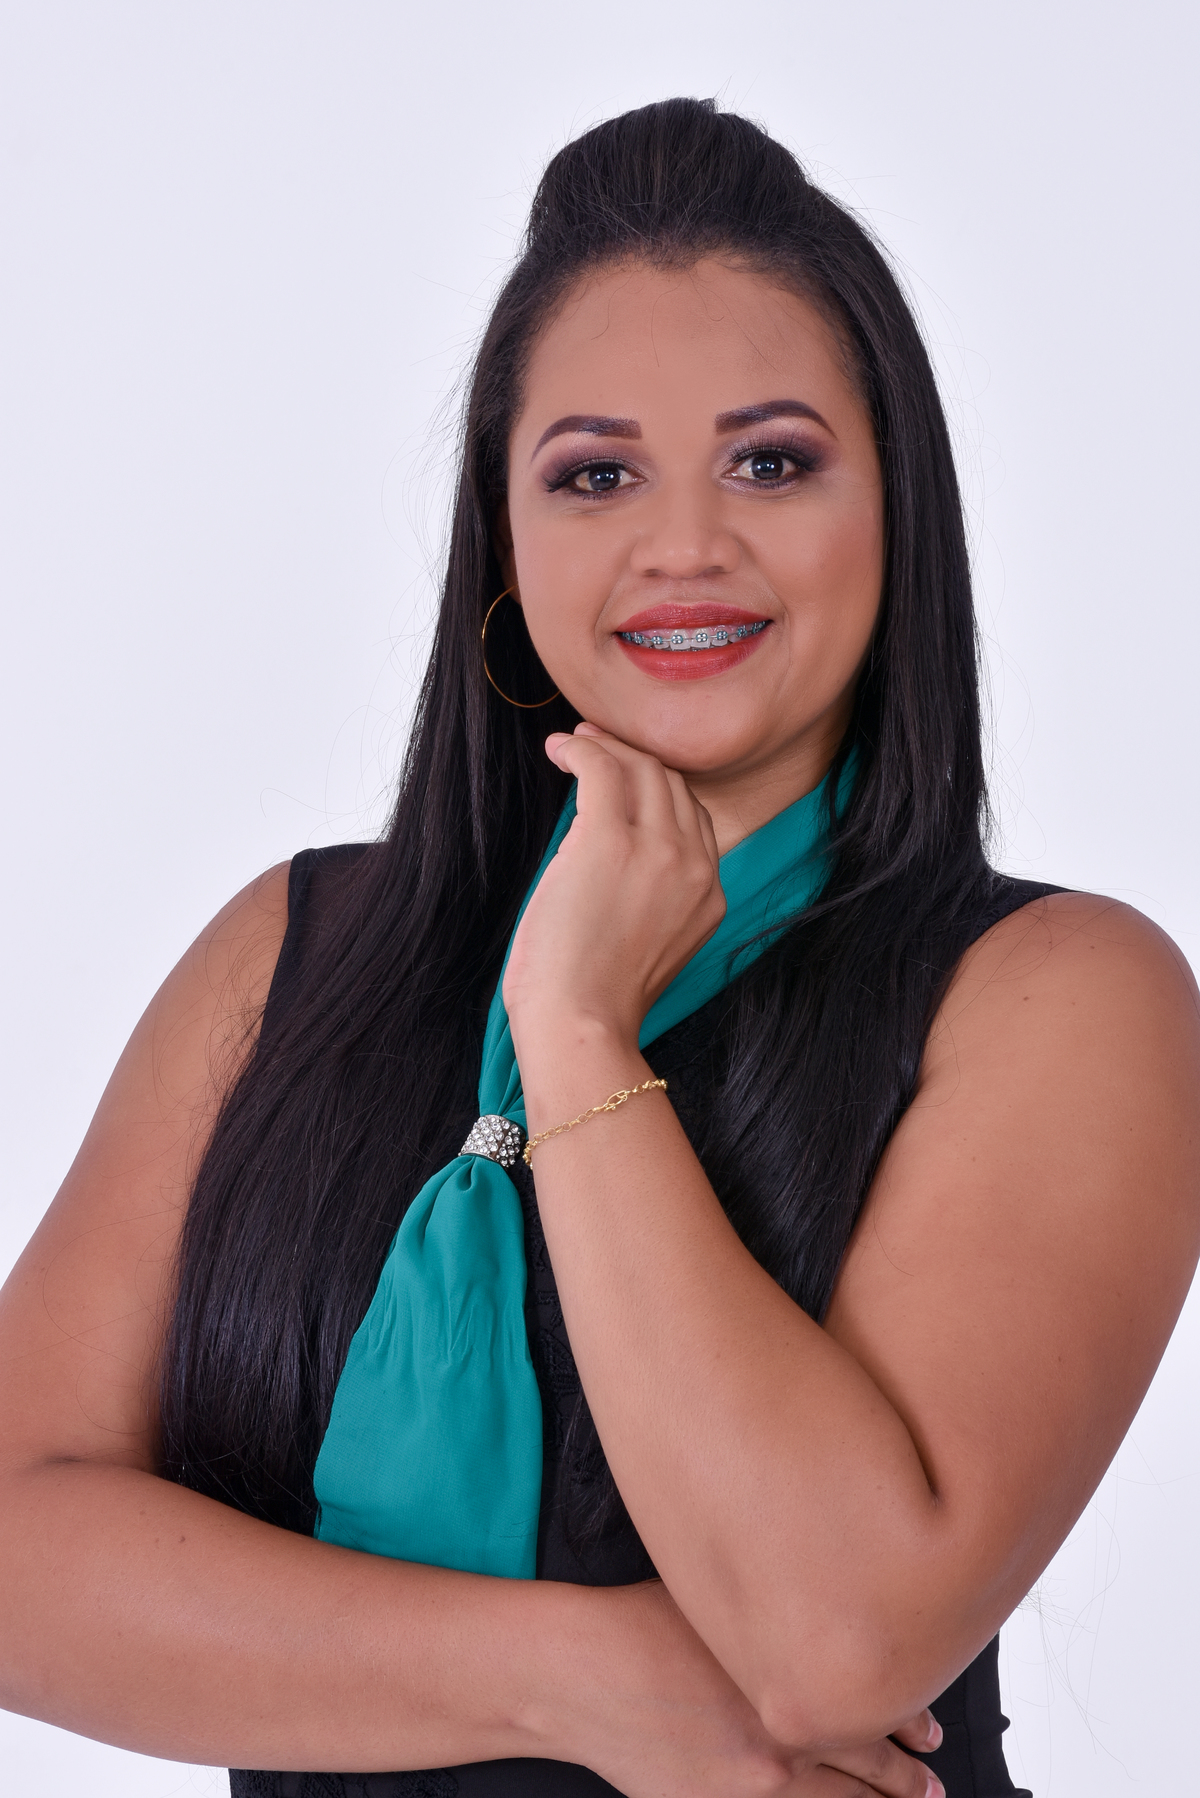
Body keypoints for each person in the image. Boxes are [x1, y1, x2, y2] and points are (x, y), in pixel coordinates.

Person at [1, 97, 1197, 1798]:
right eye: (595, 473)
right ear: (505, 537)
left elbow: (833, 1635)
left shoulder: (1060, 997)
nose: (684, 543)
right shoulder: (291, 950)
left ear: (895, 509)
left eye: (771, 461)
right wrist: (586, 1682)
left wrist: (573, 1026)